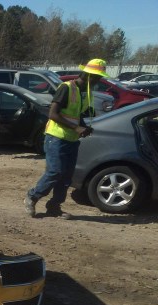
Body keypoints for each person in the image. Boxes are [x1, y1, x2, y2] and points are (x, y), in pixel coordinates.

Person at [24, 58, 109, 219]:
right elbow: (53, 114)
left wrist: (84, 126)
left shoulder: (86, 92)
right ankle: (32, 196)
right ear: (88, 75)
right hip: (56, 137)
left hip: (71, 139)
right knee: (55, 172)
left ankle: (54, 207)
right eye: (98, 77)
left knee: (66, 176)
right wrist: (77, 128)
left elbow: (75, 115)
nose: (99, 81)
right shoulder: (66, 88)